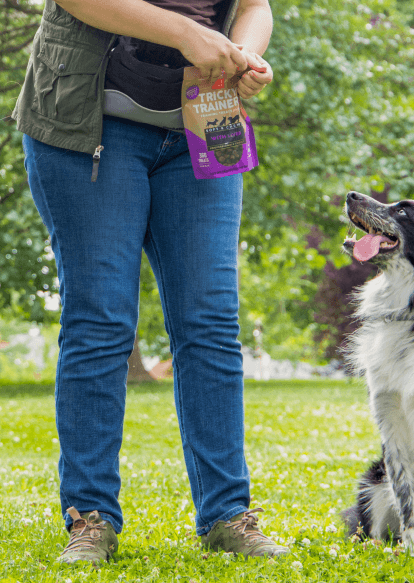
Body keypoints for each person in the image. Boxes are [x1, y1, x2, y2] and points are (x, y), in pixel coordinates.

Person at [11, 0, 288, 564]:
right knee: (101, 321)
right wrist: (188, 35)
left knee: (211, 323)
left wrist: (245, 56)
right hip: (91, 121)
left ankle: (227, 515)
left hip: (207, 119)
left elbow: (256, 7)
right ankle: (90, 518)